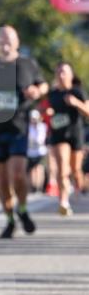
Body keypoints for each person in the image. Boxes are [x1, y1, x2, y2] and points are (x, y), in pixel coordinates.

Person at [0, 25, 48, 238]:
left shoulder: (27, 64)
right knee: (1, 179)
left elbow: (43, 85)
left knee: (18, 173)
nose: (5, 43)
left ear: (17, 42)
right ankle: (10, 218)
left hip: (19, 125)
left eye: (9, 39)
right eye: (1, 39)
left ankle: (23, 208)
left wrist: (37, 91)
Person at [46, 61, 89, 216]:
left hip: (76, 135)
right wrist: (48, 112)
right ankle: (63, 202)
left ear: (71, 75)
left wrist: (76, 103)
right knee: (62, 167)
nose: (61, 75)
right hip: (59, 136)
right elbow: (44, 109)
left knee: (76, 170)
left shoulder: (78, 92)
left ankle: (78, 185)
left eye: (64, 72)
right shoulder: (52, 94)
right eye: (59, 72)